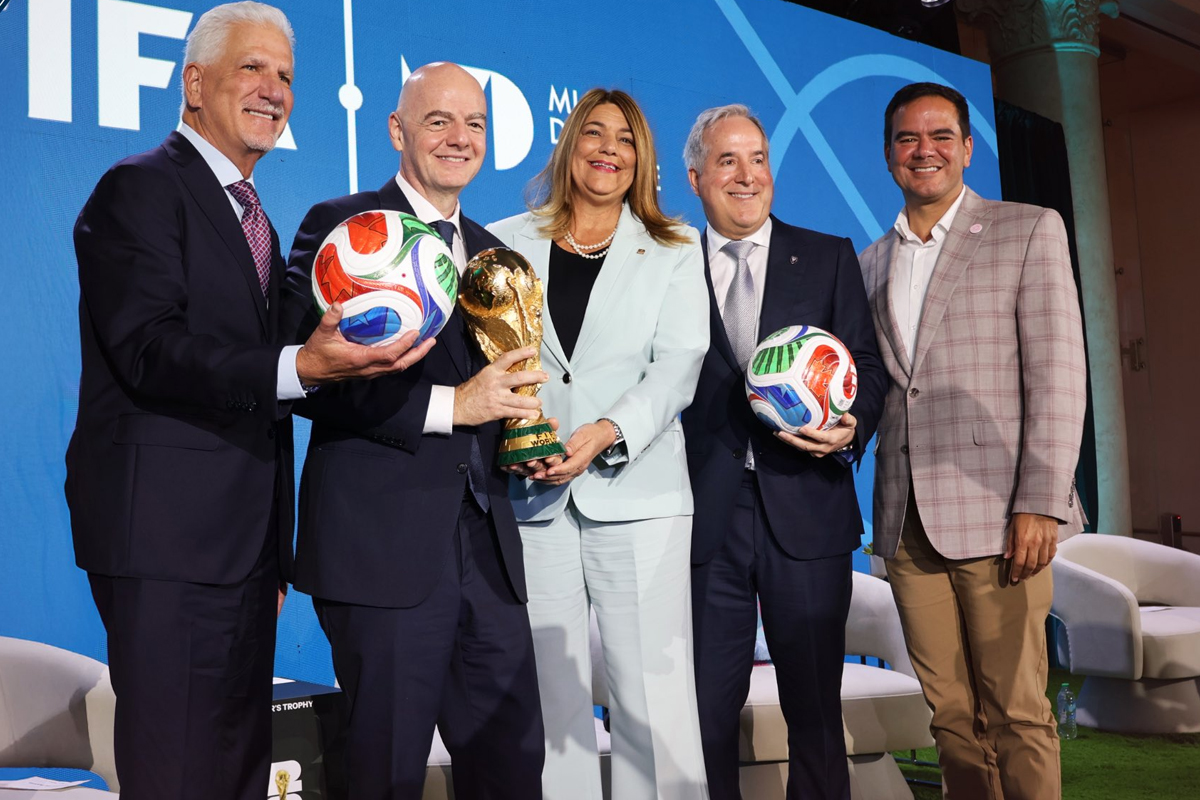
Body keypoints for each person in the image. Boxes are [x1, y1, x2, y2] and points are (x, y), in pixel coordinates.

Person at [66, 4, 432, 799]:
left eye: (287, 76)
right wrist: (302, 363)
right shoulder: (138, 189)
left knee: (236, 772)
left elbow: (268, 370)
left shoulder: (252, 214)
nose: (274, 90)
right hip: (167, 543)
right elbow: (150, 350)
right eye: (253, 69)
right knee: (178, 772)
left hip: (245, 553)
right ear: (195, 84)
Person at [281, 62, 546, 800]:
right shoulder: (344, 228)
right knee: (386, 775)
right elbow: (305, 373)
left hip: (489, 556)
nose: (460, 138)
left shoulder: (494, 253)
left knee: (513, 772)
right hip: (382, 552)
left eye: (475, 124)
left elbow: (500, 393)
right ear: (398, 130)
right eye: (439, 121)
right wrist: (451, 406)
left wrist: (526, 435)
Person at [860, 82, 1087, 800]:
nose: (923, 150)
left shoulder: (1028, 229)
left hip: (1001, 516)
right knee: (951, 719)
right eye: (907, 138)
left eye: (940, 136)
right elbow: (881, 388)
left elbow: (1058, 374)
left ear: (966, 147)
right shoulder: (869, 261)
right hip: (905, 523)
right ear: (889, 154)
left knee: (1017, 713)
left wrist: (1041, 502)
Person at [487, 88, 710, 800]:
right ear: (569, 145)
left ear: (641, 159)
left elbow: (679, 364)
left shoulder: (675, 248)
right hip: (533, 496)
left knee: (651, 699)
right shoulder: (503, 241)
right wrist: (519, 438)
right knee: (549, 704)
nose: (608, 149)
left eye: (626, 138)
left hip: (639, 492)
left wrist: (606, 432)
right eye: (594, 132)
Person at [679, 105, 886, 800]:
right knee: (704, 714)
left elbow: (867, 365)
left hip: (807, 505)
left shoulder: (827, 255)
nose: (748, 176)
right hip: (704, 517)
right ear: (696, 178)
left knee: (815, 712)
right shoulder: (668, 266)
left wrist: (851, 427)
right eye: (728, 161)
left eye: (759, 159)